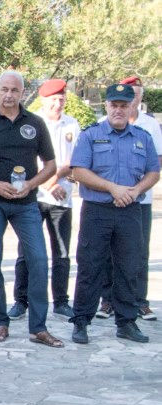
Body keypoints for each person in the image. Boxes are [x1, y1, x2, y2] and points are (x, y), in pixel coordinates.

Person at [0, 70, 64, 348]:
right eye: (4, 90)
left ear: (22, 93)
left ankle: (38, 327)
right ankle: (0, 322)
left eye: (14, 90)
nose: (9, 95)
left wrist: (31, 184)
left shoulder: (35, 123)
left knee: (39, 260)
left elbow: (51, 165)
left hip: (26, 204)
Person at [69, 84, 159, 344]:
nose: (119, 110)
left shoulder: (143, 137)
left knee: (129, 267)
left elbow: (154, 171)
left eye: (124, 105)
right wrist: (113, 188)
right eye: (114, 105)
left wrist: (136, 190)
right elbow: (79, 171)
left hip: (130, 210)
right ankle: (81, 321)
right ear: (106, 106)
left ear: (132, 107)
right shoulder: (90, 134)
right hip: (97, 210)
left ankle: (126, 322)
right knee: (90, 266)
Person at [8, 79, 79, 321]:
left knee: (61, 252)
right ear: (43, 100)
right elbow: (23, 160)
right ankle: (21, 301)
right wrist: (48, 183)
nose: (57, 103)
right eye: (53, 99)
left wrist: (55, 180)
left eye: (61, 99)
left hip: (62, 198)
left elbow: (75, 161)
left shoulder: (72, 124)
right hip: (33, 197)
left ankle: (61, 301)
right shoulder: (30, 122)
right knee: (26, 252)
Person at [95, 76, 162, 322]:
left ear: (138, 98)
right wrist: (116, 190)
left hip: (139, 200)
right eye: (119, 102)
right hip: (108, 199)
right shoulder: (100, 125)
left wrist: (134, 190)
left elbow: (156, 162)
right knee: (107, 251)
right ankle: (107, 300)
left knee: (138, 252)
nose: (126, 105)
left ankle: (139, 301)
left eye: (133, 97)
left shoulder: (149, 125)